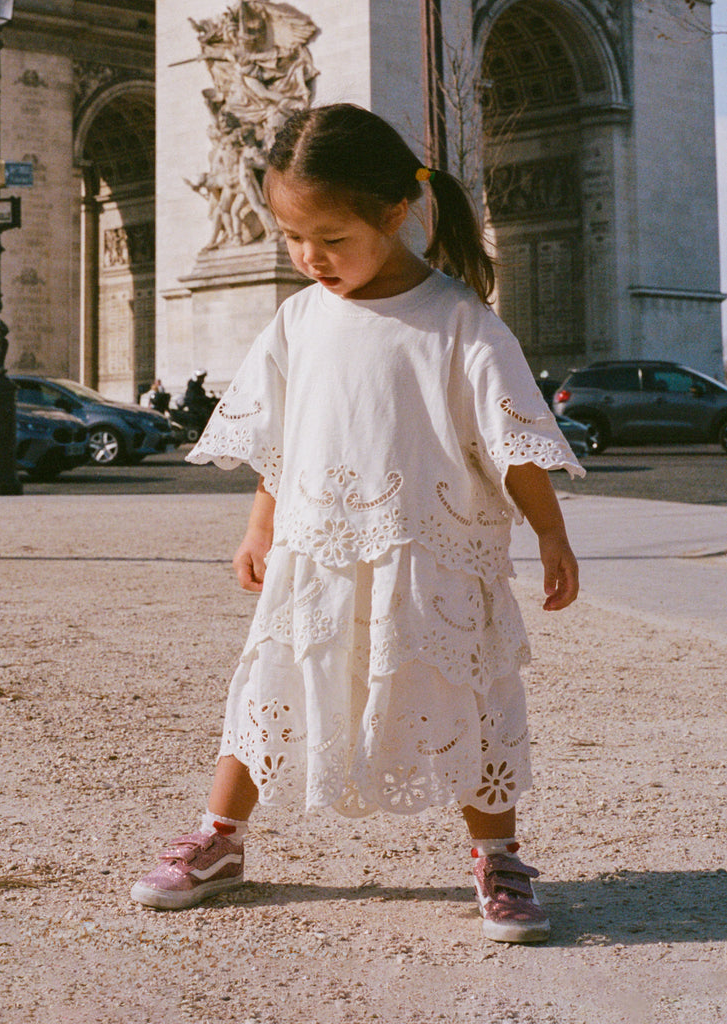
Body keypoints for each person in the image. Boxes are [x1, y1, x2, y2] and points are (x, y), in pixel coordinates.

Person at [131, 104, 584, 943]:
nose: (310, 258)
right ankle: (220, 839)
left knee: (469, 697)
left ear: (393, 211)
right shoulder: (297, 320)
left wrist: (550, 533)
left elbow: (511, 444)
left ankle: (498, 857)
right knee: (268, 688)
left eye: (331, 238)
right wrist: (259, 528)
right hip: (316, 555)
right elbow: (281, 442)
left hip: (432, 558)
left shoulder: (460, 320)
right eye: (292, 237)